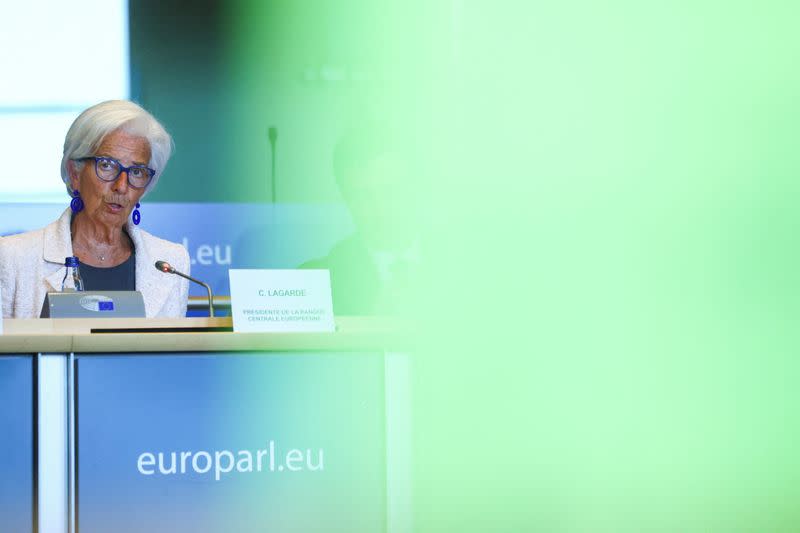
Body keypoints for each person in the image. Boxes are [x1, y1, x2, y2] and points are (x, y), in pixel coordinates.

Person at [0, 100, 190, 318]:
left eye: (136, 171)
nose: (121, 186)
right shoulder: (14, 258)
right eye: (107, 165)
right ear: (74, 173)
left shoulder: (171, 262)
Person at [301, 121, 422, 315]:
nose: (380, 208)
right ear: (346, 201)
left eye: (390, 191)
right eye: (363, 197)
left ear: (414, 188)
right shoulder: (316, 284)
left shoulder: (467, 261)